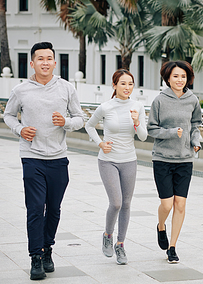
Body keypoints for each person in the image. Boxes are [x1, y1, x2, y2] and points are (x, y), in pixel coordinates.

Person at [3, 42, 85, 280]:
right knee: (36, 208)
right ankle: (35, 257)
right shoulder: (21, 90)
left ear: (54, 63)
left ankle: (47, 248)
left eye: (49, 58)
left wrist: (66, 123)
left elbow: (80, 118)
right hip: (32, 157)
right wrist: (20, 129)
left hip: (59, 157)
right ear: (32, 63)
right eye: (40, 59)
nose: (45, 62)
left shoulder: (66, 88)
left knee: (54, 209)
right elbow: (8, 115)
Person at [85, 69, 147, 265]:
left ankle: (120, 245)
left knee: (127, 204)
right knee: (117, 203)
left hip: (129, 160)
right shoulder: (105, 107)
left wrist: (137, 121)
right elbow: (89, 125)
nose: (127, 87)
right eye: (123, 83)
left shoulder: (138, 106)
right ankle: (108, 234)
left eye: (130, 84)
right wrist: (100, 143)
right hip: (108, 160)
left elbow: (144, 137)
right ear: (114, 85)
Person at [147, 61, 202, 263]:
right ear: (168, 78)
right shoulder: (159, 100)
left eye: (183, 76)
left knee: (180, 204)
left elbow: (195, 125)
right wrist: (171, 133)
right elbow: (151, 128)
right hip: (162, 158)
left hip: (185, 159)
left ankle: (172, 246)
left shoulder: (192, 100)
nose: (180, 80)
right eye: (176, 76)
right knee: (167, 204)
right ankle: (161, 226)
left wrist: (195, 142)